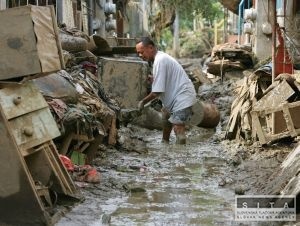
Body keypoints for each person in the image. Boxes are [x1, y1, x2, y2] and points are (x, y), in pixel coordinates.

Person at [136, 37, 196, 144]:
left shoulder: (160, 60)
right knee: (166, 119)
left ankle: (180, 155)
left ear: (150, 47)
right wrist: (153, 79)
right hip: (174, 98)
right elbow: (164, 80)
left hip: (183, 97)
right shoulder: (159, 59)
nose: (140, 55)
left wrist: (142, 102)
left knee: (178, 129)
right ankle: (165, 144)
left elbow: (157, 92)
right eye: (138, 53)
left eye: (142, 52)